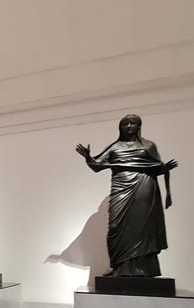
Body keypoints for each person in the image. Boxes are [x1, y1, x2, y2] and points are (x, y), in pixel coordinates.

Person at [73, 114, 178, 277]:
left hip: (144, 186)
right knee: (115, 226)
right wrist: (87, 156)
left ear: (139, 126)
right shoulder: (115, 147)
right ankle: (119, 267)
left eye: (133, 123)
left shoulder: (149, 146)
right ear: (120, 127)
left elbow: (156, 167)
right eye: (125, 124)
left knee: (143, 228)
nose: (129, 126)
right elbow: (97, 166)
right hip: (121, 186)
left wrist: (164, 169)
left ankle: (144, 269)